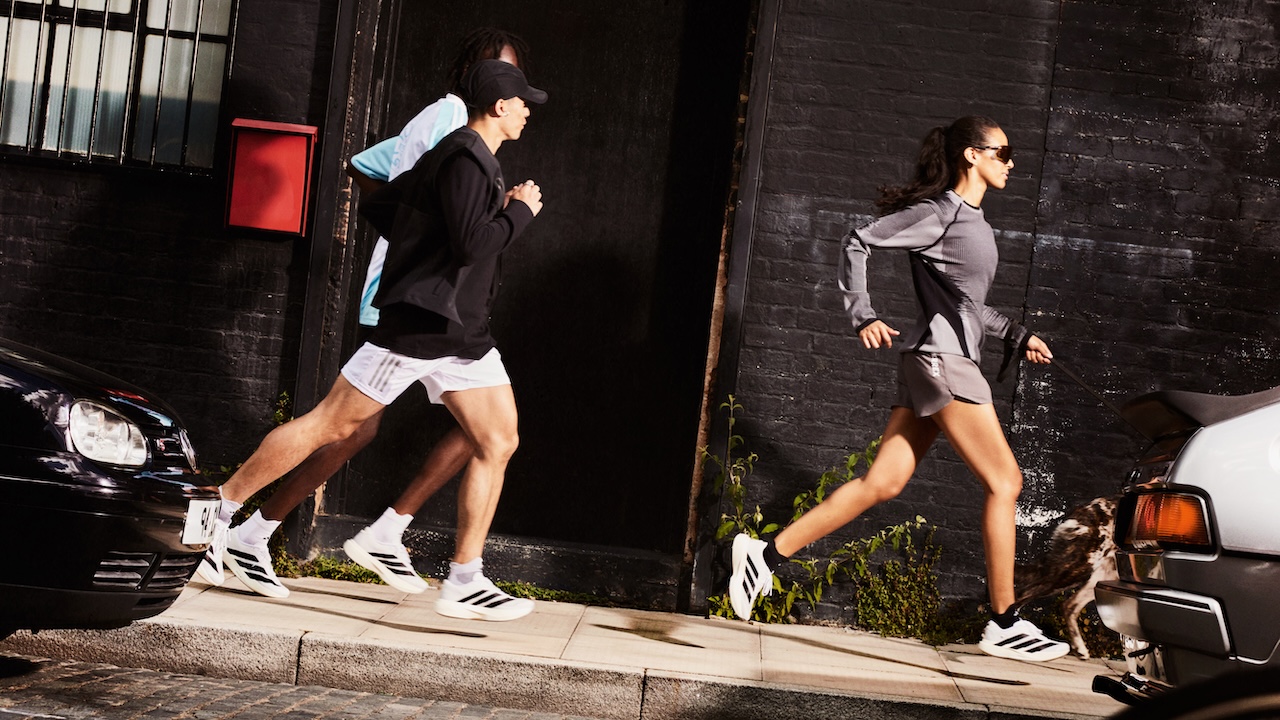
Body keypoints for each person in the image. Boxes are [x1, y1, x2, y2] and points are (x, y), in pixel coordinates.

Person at [199, 59, 547, 622]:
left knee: (498, 438)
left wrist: (427, 243)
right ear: (499, 105)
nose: (528, 111)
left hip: (462, 331)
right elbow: (471, 245)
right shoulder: (464, 157)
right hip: (422, 326)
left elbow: (385, 204)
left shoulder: (467, 158)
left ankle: (464, 578)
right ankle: (217, 512)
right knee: (333, 424)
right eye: (522, 102)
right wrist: (519, 214)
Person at [727, 116, 1070, 662]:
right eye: (1003, 153)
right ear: (972, 155)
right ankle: (1005, 620)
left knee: (882, 482)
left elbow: (968, 303)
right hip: (943, 360)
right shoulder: (939, 214)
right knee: (1006, 481)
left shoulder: (973, 222)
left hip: (936, 358)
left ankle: (764, 555)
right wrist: (863, 314)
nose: (1011, 163)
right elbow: (858, 240)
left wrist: (1018, 334)